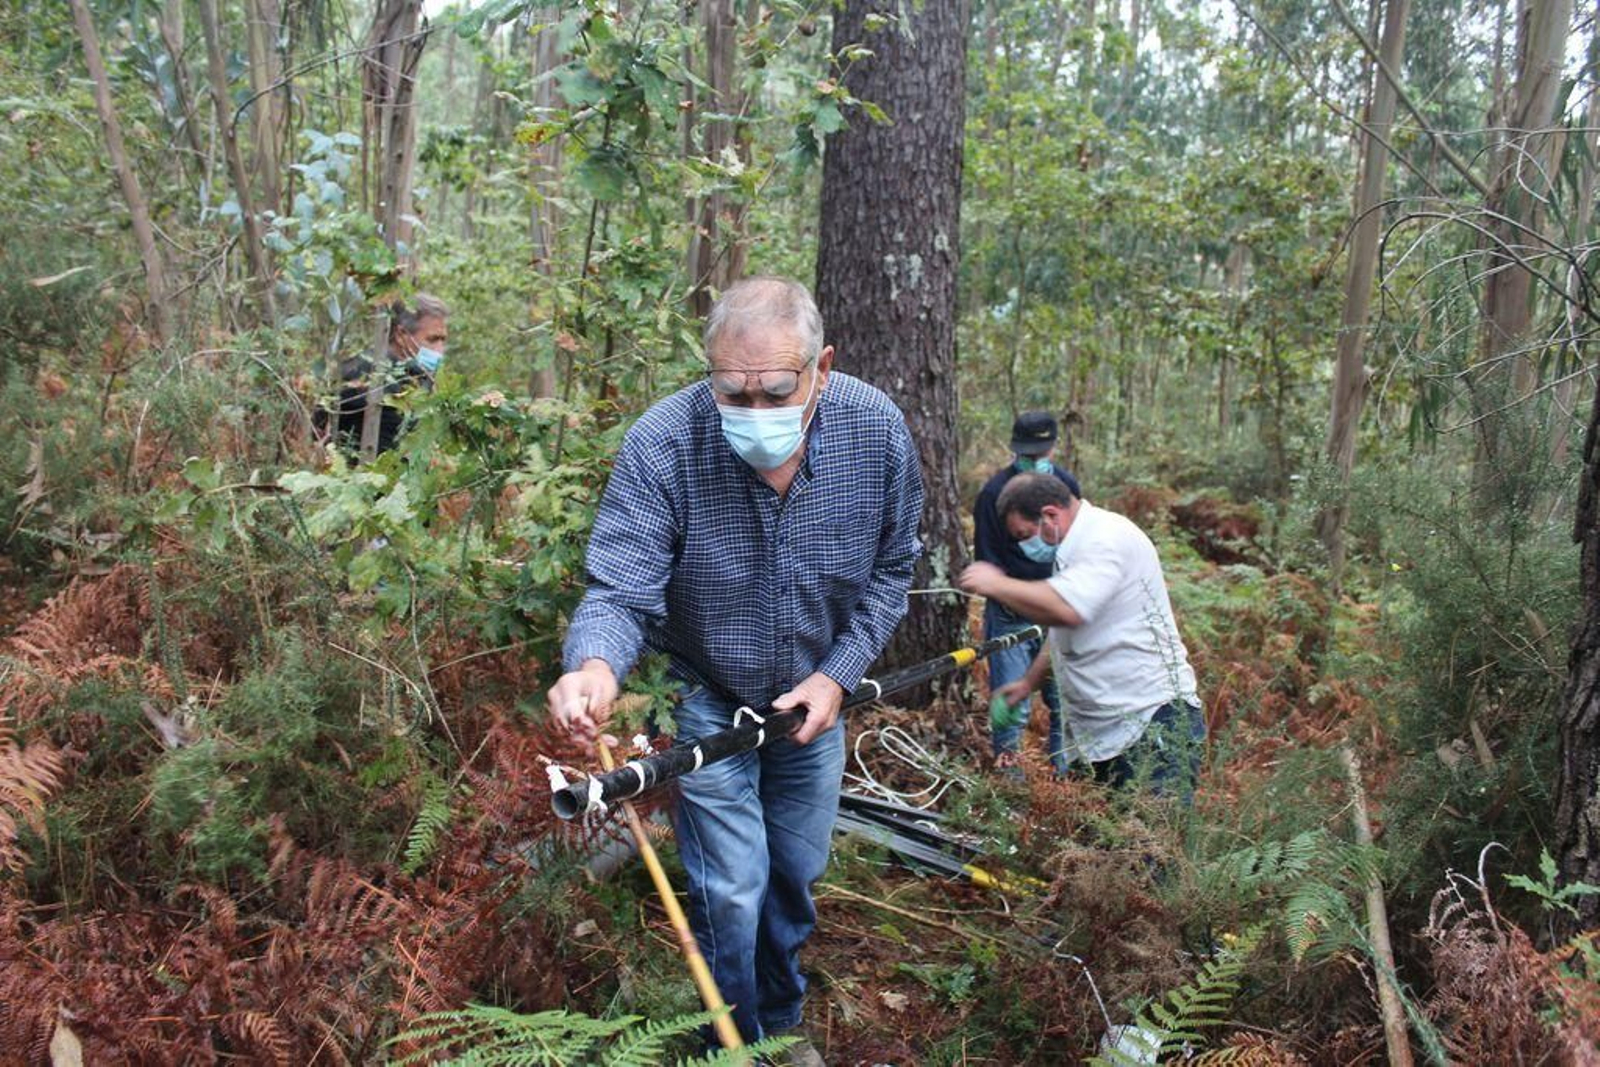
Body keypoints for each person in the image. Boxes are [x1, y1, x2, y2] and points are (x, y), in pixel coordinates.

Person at [546, 277, 924, 1055]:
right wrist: (595, 666)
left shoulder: (876, 431)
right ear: (709, 370)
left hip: (811, 698)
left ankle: (782, 1011)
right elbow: (621, 587)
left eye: (776, 390)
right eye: (732, 393)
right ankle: (738, 1040)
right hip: (704, 695)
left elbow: (893, 572)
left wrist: (838, 674)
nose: (753, 412)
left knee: (794, 868)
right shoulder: (666, 441)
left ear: (822, 365)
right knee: (732, 884)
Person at [957, 473, 1204, 801]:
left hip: (1149, 726)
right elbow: (1063, 632)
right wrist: (1027, 684)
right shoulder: (1073, 551)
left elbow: (1067, 609)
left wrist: (995, 583)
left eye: (1026, 535)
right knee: (1108, 848)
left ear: (1050, 515)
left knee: (1148, 849)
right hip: (1108, 736)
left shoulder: (1105, 538)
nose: (1026, 546)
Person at [971, 412, 1082, 775]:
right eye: (1027, 454)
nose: (1034, 461)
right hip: (1010, 615)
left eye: (1040, 453)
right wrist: (1013, 593)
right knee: (1011, 702)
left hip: (1057, 608)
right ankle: (1010, 781)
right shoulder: (993, 494)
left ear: (1053, 447)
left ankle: (1065, 783)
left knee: (1062, 701)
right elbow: (988, 563)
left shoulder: (1066, 488)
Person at [324, 293, 449, 455]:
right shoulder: (366, 374)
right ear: (401, 335)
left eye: (443, 340)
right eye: (432, 340)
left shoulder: (414, 376)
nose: (440, 350)